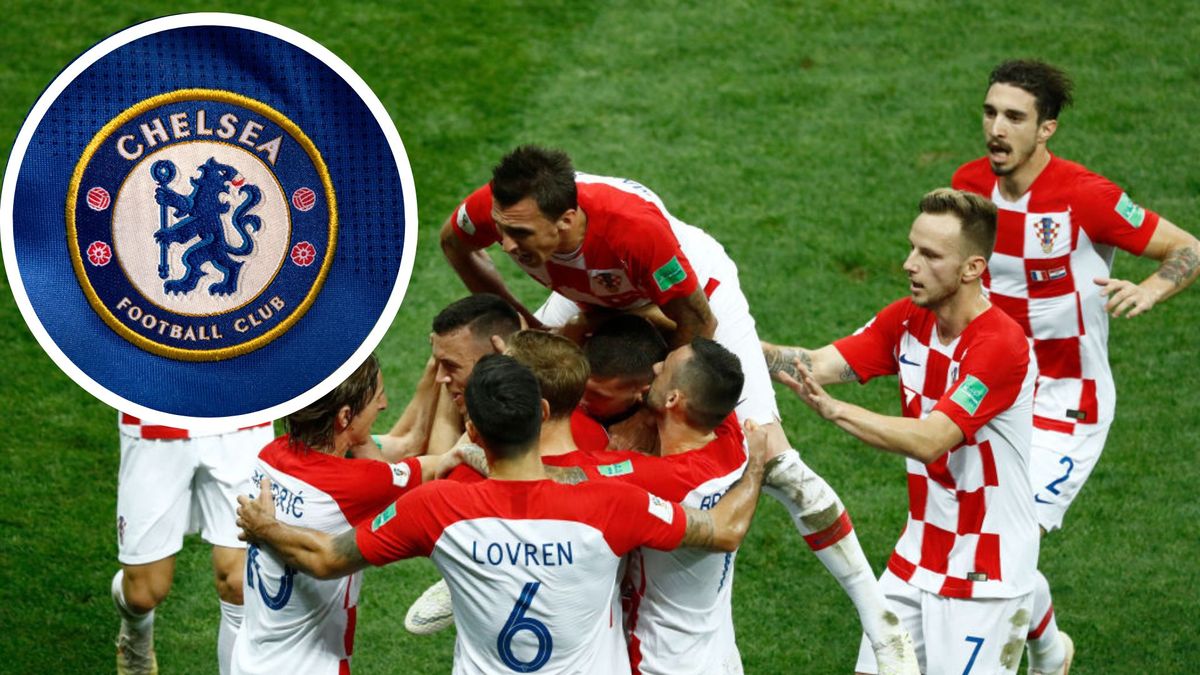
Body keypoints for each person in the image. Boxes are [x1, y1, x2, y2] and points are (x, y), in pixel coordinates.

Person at [439, 146, 914, 669]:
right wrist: (528, 322)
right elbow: (455, 246)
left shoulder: (633, 231)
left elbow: (697, 327)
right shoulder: (502, 209)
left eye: (521, 237)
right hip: (595, 298)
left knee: (776, 456)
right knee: (511, 394)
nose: (506, 244)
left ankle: (881, 622)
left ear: (568, 218)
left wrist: (652, 408)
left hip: (694, 296)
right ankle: (478, 551)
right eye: (502, 231)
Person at [238, 354, 773, 673]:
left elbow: (327, 557)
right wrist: (755, 466)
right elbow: (725, 531)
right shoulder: (616, 502)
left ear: (473, 430)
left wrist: (267, 528)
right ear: (543, 416)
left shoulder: (435, 507)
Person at [950, 59, 1200, 674]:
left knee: (1007, 539)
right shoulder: (968, 186)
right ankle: (1051, 651)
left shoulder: (1086, 196)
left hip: (1068, 401)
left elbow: (1188, 247)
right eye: (990, 112)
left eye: (1014, 116)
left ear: (1046, 130)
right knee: (971, 532)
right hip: (990, 390)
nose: (997, 129)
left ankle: (1020, 655)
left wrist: (1151, 288)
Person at [776, 189, 1039, 674]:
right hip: (916, 557)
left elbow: (931, 439)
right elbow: (811, 364)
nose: (908, 264)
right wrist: (720, 334)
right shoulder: (907, 320)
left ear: (972, 269)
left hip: (986, 572)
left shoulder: (1001, 346)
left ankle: (1043, 634)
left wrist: (835, 412)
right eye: (913, 248)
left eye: (930, 255)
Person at [230, 354, 462, 674]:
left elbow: (397, 453)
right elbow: (440, 463)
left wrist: (430, 376)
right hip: (310, 667)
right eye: (377, 396)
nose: (384, 404)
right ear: (343, 416)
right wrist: (451, 383)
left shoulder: (271, 454)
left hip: (249, 658)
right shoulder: (355, 486)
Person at [112, 414, 274, 675]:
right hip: (156, 418)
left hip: (242, 414)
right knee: (143, 594)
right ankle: (136, 633)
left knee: (241, 584)